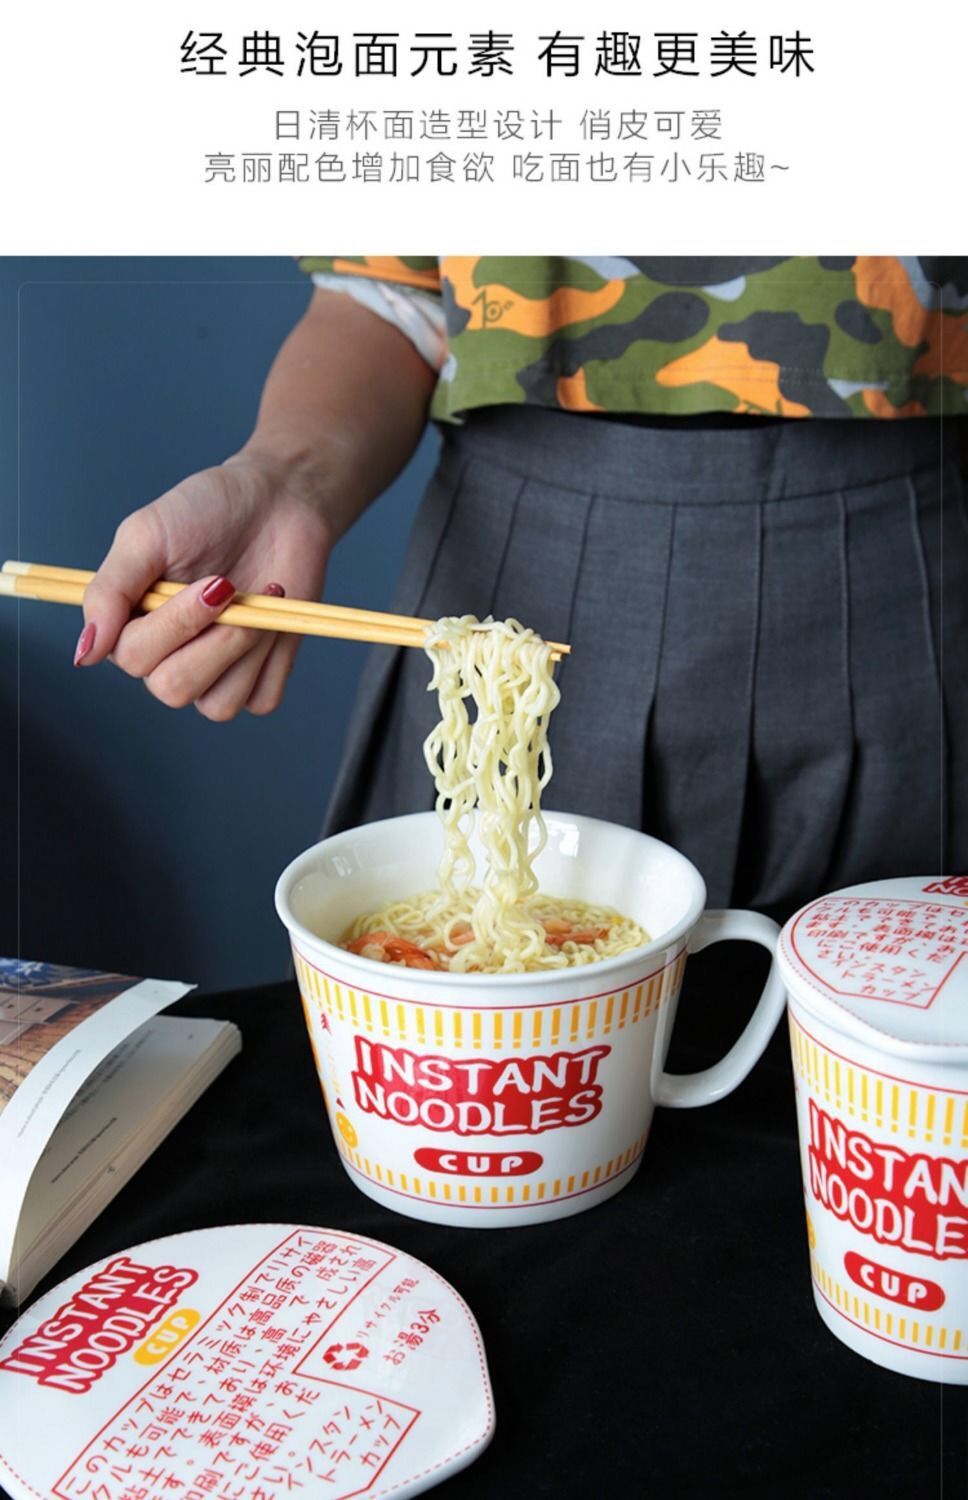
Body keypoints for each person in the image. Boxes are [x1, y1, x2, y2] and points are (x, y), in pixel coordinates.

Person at [77, 257, 968, 916]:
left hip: (909, 569)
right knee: (470, 1019)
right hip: (515, 576)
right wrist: (284, 478)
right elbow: (392, 294)